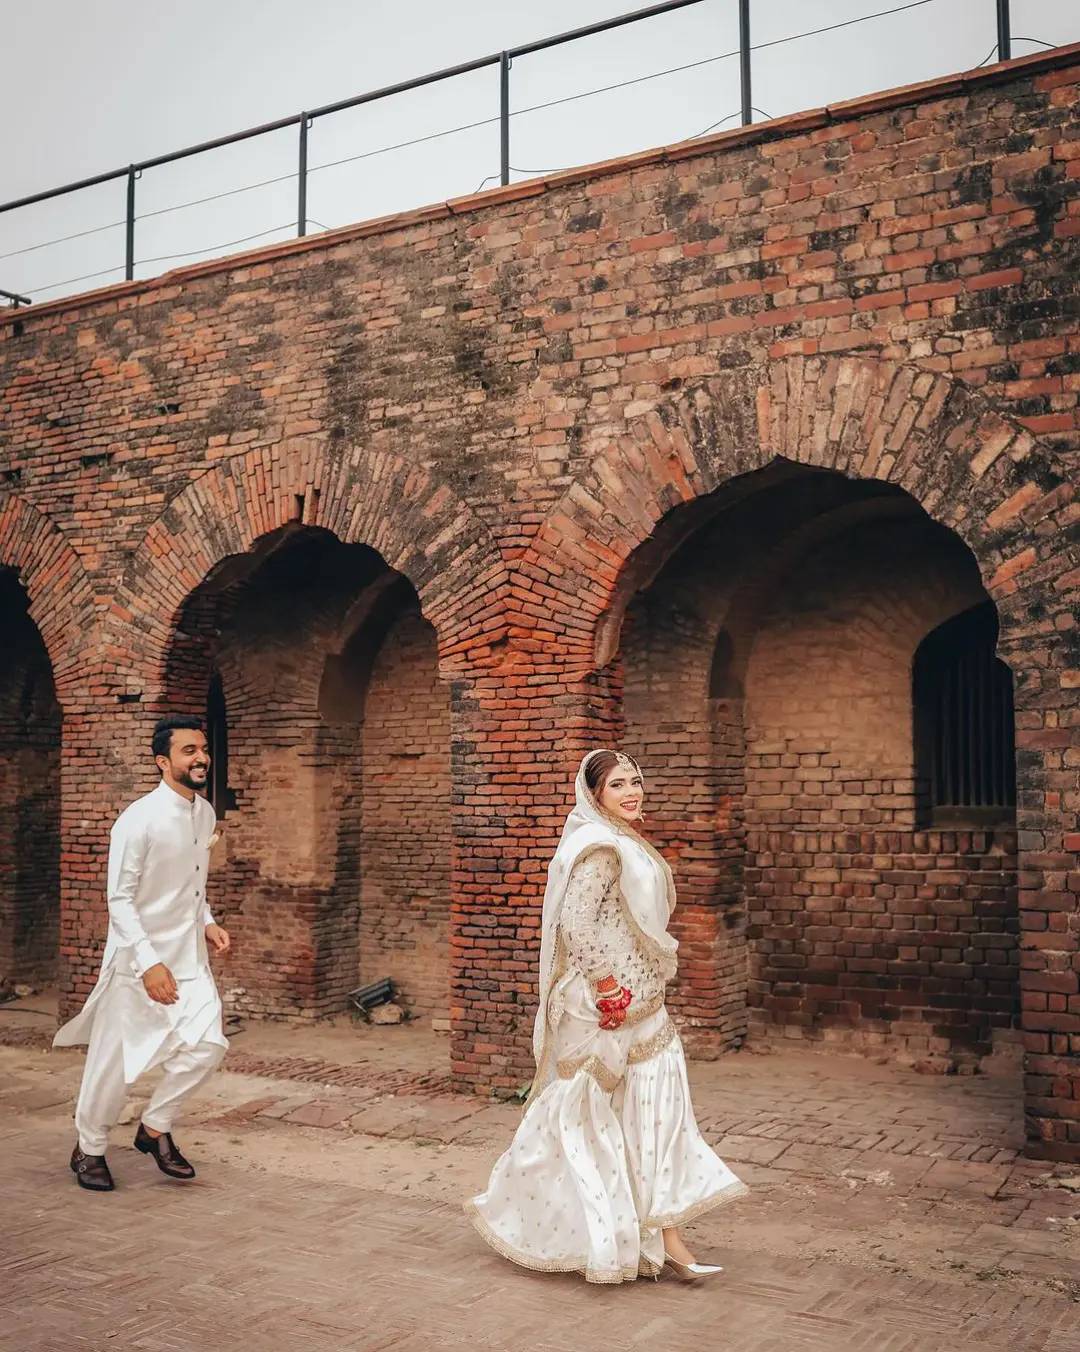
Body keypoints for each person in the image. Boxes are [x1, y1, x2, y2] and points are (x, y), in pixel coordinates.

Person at [467, 749, 746, 1284]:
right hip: (604, 1006)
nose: (632, 791)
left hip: (643, 1000)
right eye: (618, 784)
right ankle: (534, 1216)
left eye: (635, 781)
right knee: (585, 1117)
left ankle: (667, 1240)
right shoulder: (599, 848)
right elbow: (577, 924)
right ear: (594, 793)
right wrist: (606, 986)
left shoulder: (625, 840)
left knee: (655, 1113)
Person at [55, 716, 231, 1191]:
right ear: (162, 762)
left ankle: (154, 1128)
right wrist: (149, 963)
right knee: (115, 1062)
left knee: (209, 1045)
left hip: (189, 958)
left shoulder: (204, 813)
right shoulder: (138, 820)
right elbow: (120, 899)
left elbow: (192, 884)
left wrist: (207, 921)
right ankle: (90, 1148)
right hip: (139, 961)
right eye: (189, 751)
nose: (201, 757)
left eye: (203, 748)